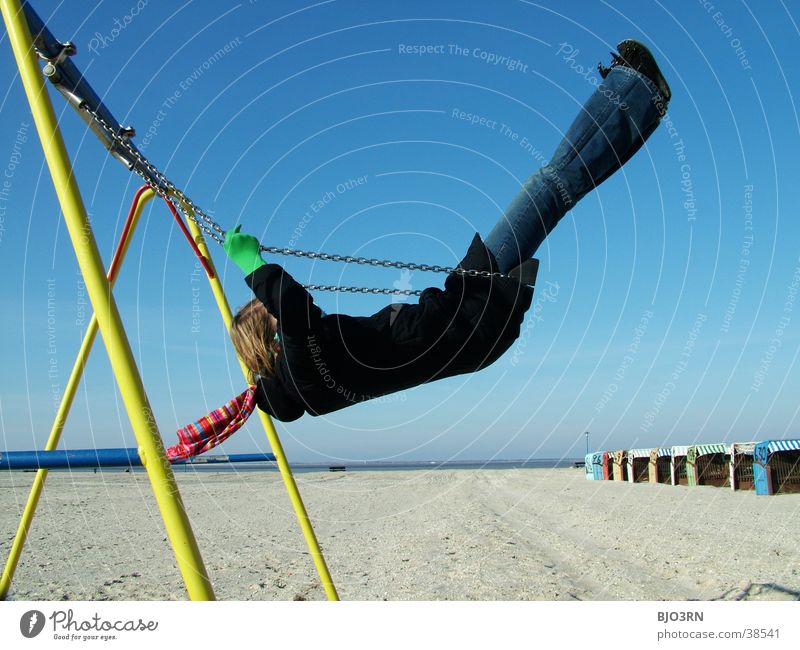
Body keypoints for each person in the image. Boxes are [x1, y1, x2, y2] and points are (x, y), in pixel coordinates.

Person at [224, 39, 671, 422]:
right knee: (547, 190)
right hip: (467, 318)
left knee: (554, 192)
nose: (279, 319)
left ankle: (636, 99)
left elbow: (297, 319)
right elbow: (295, 309)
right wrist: (250, 262)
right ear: (270, 341)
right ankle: (633, 91)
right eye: (272, 320)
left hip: (463, 323)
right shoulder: (304, 371)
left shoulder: (308, 388)